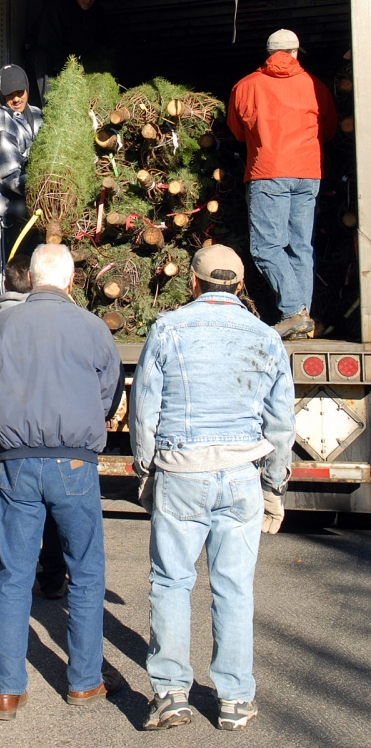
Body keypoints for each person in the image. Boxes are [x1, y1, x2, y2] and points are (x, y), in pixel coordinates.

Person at [129, 244, 295, 733]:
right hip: (241, 472)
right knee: (233, 587)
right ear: (241, 286)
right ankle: (235, 699)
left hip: (182, 469)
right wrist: (273, 485)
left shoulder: (168, 329)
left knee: (171, 582)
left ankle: (170, 695)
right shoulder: (266, 338)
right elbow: (281, 422)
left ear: (194, 284)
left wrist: (147, 468)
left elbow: (145, 410)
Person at [0, 243, 125, 721]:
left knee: (14, 575)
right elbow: (108, 394)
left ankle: (7, 690)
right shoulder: (91, 326)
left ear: (34, 278)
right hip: (75, 462)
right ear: (68, 281)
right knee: (84, 572)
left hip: (16, 462)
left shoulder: (4, 325)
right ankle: (84, 681)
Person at [227, 29, 337, 338]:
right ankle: (303, 321)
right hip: (308, 172)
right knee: (301, 247)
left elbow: (237, 130)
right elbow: (328, 129)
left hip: (268, 172)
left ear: (268, 52)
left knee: (266, 248)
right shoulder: (315, 86)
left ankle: (292, 312)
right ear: (296, 52)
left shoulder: (247, 86)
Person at [0, 253, 68, 599]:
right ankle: (51, 580)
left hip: (12, 442)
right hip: (60, 440)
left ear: (4, 283)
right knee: (54, 514)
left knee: (14, 519)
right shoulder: (65, 320)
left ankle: (15, 574)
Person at [0, 64, 42, 302]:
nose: (16, 98)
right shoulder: (0, 127)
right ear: (1, 96)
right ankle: (4, 319)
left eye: (20, 92)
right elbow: (11, 177)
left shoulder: (36, 115)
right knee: (10, 276)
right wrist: (46, 189)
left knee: (33, 275)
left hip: (30, 211)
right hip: (6, 217)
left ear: (27, 89)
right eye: (9, 94)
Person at [31, 0, 107, 104]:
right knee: (49, 102)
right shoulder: (57, 5)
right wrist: (68, 69)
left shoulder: (97, 11)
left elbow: (96, 42)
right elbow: (48, 41)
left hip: (70, 61)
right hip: (47, 59)